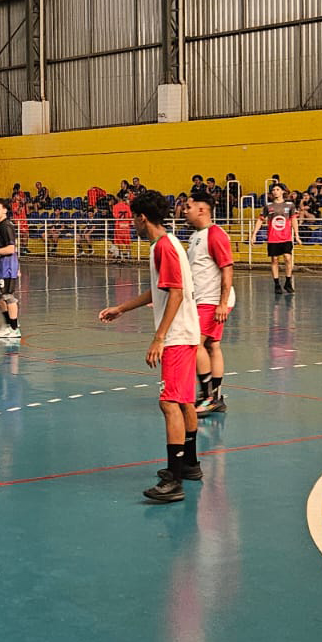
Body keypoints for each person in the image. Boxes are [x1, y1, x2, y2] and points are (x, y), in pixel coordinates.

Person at [98, 192, 201, 504]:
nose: (132, 224)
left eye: (133, 218)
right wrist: (122, 308)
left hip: (178, 336)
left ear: (142, 218)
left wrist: (159, 337)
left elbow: (177, 294)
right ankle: (190, 464)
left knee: (169, 403)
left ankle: (174, 479)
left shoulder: (164, 247)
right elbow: (160, 291)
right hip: (186, 333)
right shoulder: (166, 245)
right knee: (183, 402)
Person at [183, 196, 234, 416]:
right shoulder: (196, 236)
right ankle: (216, 396)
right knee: (212, 345)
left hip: (212, 300)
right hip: (201, 298)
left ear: (202, 209)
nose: (184, 211)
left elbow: (227, 268)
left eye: (188, 207)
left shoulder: (215, 234)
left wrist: (222, 303)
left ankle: (208, 397)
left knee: (195, 343)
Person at [0, 198, 21, 338]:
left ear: (5, 210)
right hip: (0, 267)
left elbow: (11, 248)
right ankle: (8, 322)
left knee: (8, 296)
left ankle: (14, 328)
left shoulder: (6, 226)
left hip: (6, 267)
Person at [258, 184, 299, 294]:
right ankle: (276, 284)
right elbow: (260, 219)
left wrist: (297, 235)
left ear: (282, 192)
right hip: (273, 237)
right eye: (273, 190)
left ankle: (288, 282)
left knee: (287, 257)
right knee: (274, 259)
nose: (275, 192)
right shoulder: (268, 206)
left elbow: (294, 220)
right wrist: (254, 233)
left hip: (286, 237)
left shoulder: (290, 205)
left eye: (277, 189)